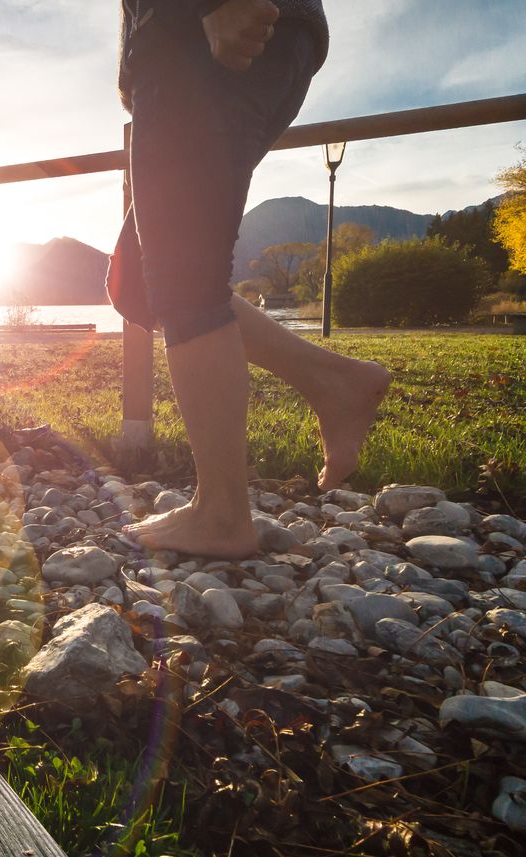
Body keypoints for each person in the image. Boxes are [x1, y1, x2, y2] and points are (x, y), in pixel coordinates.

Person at [108, 0, 391, 560]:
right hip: (186, 42)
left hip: (200, 32)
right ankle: (335, 381)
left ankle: (221, 515)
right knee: (137, 282)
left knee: (184, 280)